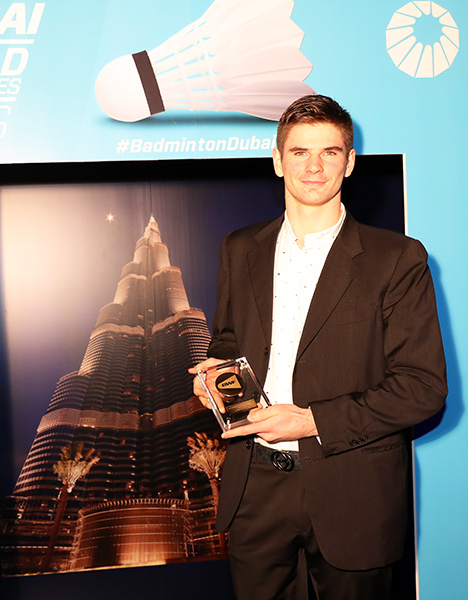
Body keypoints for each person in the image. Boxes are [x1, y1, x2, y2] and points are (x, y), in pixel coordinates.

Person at [189, 95, 447, 600]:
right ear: (277, 159)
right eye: (300, 152)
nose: (314, 166)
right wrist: (215, 377)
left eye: (329, 152)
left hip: (354, 491)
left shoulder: (397, 258)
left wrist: (311, 422)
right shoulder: (239, 247)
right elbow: (229, 340)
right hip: (254, 487)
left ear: (349, 163)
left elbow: (422, 388)